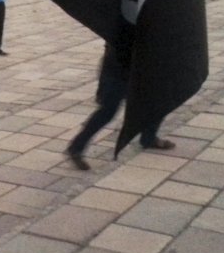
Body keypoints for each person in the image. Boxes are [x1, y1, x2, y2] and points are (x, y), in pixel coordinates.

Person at [65, 42, 175, 170]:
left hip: (138, 65)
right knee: (108, 111)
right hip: (120, 67)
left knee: (157, 100)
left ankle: (149, 137)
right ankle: (77, 146)